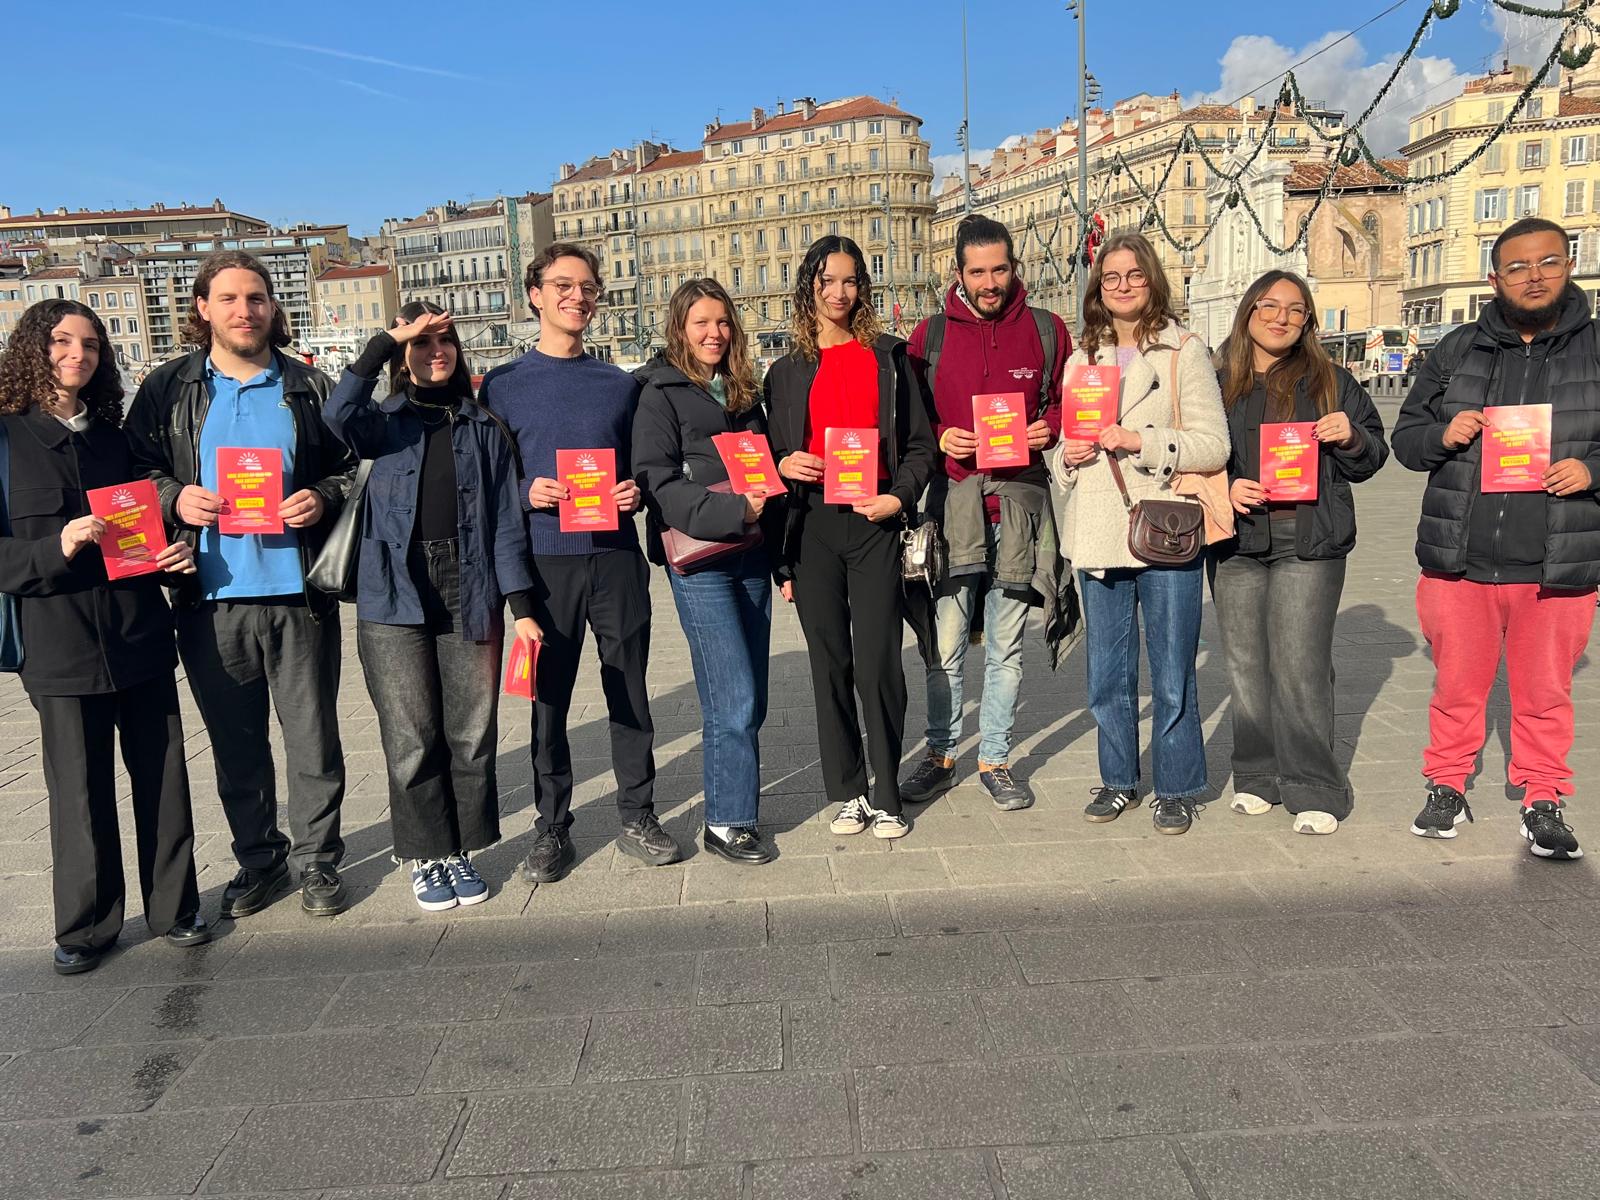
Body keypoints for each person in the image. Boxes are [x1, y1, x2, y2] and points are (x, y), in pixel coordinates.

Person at [125, 250, 356, 919]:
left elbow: (352, 469)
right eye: (228, 299)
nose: (244, 311)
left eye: (256, 298)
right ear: (203, 309)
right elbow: (135, 468)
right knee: (237, 746)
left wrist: (320, 495)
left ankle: (318, 863)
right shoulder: (168, 389)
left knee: (313, 739)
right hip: (208, 598)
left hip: (299, 593)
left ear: (272, 307)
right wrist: (173, 497)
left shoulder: (309, 387)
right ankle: (260, 861)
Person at [0, 300, 206, 974]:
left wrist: (175, 555)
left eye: (89, 345)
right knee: (79, 794)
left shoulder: (116, 439)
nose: (77, 356)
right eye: (62, 343)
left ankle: (176, 908)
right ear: (33, 347)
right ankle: (86, 928)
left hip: (139, 629)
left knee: (164, 778)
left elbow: (146, 533)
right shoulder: (4, 440)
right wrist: (54, 545)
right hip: (58, 643)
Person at [1393, 216, 1600, 860]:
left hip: (1557, 561)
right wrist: (1443, 435)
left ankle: (1543, 794)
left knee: (1544, 695)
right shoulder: (1456, 349)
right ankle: (1447, 782)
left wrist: (1594, 469)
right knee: (1457, 687)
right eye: (1517, 266)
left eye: (1548, 262)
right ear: (1494, 278)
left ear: (1569, 266)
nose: (1534, 276)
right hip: (1460, 558)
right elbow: (1405, 439)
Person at [324, 303, 543, 911]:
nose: (434, 351)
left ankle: (459, 850)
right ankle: (423, 853)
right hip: (393, 588)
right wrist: (385, 341)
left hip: (469, 587)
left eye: (444, 340)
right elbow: (336, 413)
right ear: (404, 355)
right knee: (412, 735)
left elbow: (504, 522)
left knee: (471, 732)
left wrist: (521, 604)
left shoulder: (483, 426)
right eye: (421, 343)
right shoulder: (382, 421)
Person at [480, 243, 680, 883]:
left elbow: (648, 468)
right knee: (549, 701)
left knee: (629, 689)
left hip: (615, 557)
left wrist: (636, 492)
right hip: (544, 563)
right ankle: (551, 827)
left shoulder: (621, 386)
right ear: (534, 294)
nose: (577, 296)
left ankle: (637, 814)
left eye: (588, 286)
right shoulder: (501, 387)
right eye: (563, 285)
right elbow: (484, 484)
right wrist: (523, 492)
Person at [1050, 232, 1229, 835]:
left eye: (1133, 275)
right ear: (1098, 289)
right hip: (1099, 525)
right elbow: (1061, 454)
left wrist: (1142, 442)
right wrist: (1065, 458)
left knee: (1173, 667)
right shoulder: (1083, 359)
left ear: (1152, 280)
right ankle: (1118, 778)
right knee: (1107, 673)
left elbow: (1215, 444)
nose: (1122, 285)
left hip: (1165, 522)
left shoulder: (1183, 351)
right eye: (1111, 277)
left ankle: (1177, 785)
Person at [767, 236, 937, 839]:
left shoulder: (889, 358)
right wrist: (786, 464)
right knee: (829, 665)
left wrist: (899, 496)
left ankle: (888, 790)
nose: (838, 293)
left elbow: (922, 446)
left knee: (878, 662)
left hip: (875, 524)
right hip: (812, 528)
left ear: (862, 287)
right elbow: (769, 457)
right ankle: (849, 791)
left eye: (849, 281)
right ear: (808, 286)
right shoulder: (785, 372)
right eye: (827, 281)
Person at [902, 214, 1070, 811]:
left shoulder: (1047, 332)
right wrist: (942, 437)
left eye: (999, 268)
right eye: (977, 271)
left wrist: (1051, 429)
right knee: (944, 646)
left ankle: (994, 758)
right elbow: (910, 426)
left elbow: (1065, 409)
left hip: (1021, 507)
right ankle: (942, 753)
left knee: (1006, 646)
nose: (989, 281)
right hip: (953, 508)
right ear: (958, 272)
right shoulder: (928, 339)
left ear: (1013, 266)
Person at [1212, 271, 1389, 836]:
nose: (1281, 317)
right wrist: (1225, 488)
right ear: (1248, 312)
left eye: (1295, 310)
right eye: (1269, 305)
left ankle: (1314, 786)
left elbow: (1372, 458)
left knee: (1301, 665)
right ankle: (1257, 776)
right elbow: (1196, 455)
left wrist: (1352, 436)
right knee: (1244, 665)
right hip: (1237, 539)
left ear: (1309, 322)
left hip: (1309, 540)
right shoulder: (1216, 381)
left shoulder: (1332, 381)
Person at [634, 279, 779, 865]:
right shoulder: (659, 392)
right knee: (732, 694)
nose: (714, 333)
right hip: (698, 561)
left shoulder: (744, 392)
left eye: (722, 322)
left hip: (750, 553)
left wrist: (779, 547)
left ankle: (735, 800)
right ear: (680, 327)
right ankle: (727, 821)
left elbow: (765, 469)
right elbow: (656, 481)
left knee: (755, 695)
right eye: (701, 323)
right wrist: (732, 508)